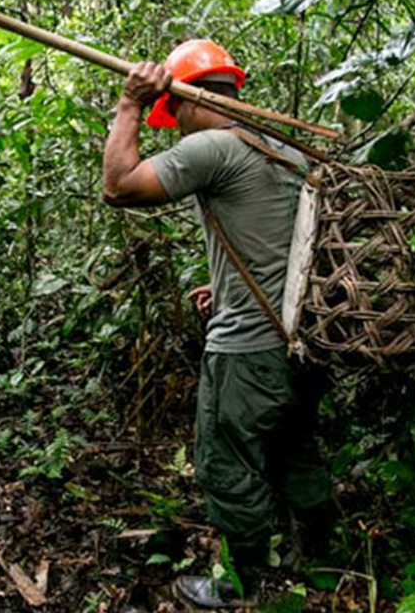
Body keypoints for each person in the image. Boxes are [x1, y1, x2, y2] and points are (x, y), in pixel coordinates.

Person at [100, 39, 337, 609]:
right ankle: (323, 562)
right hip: (302, 339)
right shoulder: (285, 148)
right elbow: (284, 243)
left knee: (224, 461)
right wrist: (226, 281)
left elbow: (119, 186)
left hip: (247, 351)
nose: (175, 125)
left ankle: (244, 582)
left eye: (174, 112)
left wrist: (131, 103)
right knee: (295, 447)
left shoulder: (214, 146)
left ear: (192, 97)